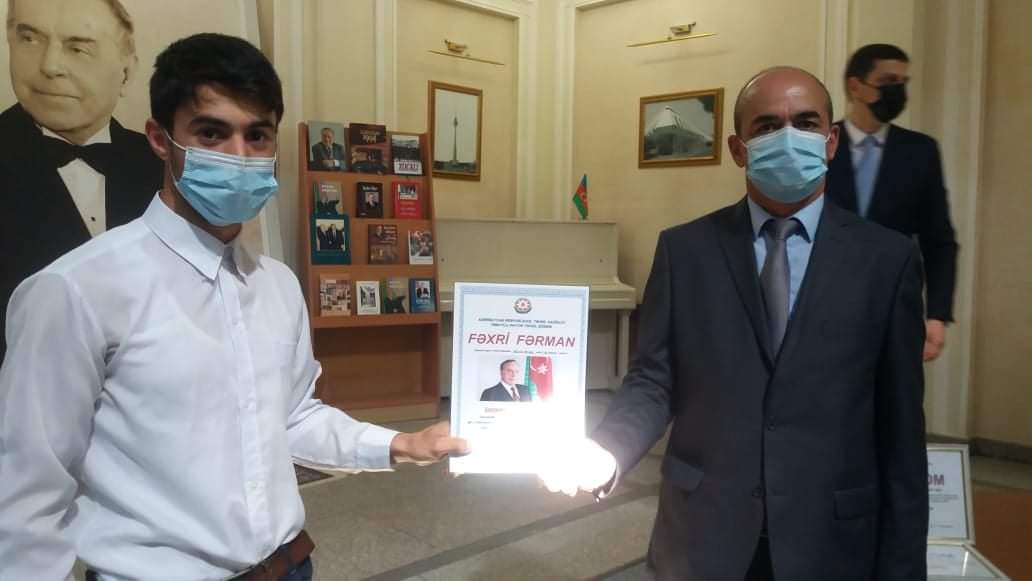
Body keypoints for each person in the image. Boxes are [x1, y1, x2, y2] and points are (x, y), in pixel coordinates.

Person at [0, 33, 468, 581]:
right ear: (159, 139)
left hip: (290, 566)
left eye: (257, 135)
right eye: (211, 133)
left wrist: (403, 444)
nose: (238, 156)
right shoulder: (76, 290)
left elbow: (294, 418)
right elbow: (28, 491)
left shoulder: (277, 285)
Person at [540, 66, 928, 580]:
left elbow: (901, 429)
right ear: (738, 149)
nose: (788, 137)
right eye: (767, 126)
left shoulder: (886, 260)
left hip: (831, 538)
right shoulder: (685, 251)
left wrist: (904, 569)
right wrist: (606, 450)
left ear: (831, 141)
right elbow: (654, 379)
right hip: (704, 533)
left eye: (806, 123)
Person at [0, 0, 162, 360]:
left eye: (78, 48)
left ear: (126, 71)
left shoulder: (164, 167)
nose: (49, 66)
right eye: (29, 39)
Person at [827, 43, 958, 361]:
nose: (897, 90)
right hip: (825, 301)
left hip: (896, 303)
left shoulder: (920, 151)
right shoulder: (821, 145)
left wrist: (937, 315)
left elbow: (938, 239)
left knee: (896, 391)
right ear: (855, 86)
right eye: (887, 81)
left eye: (902, 82)